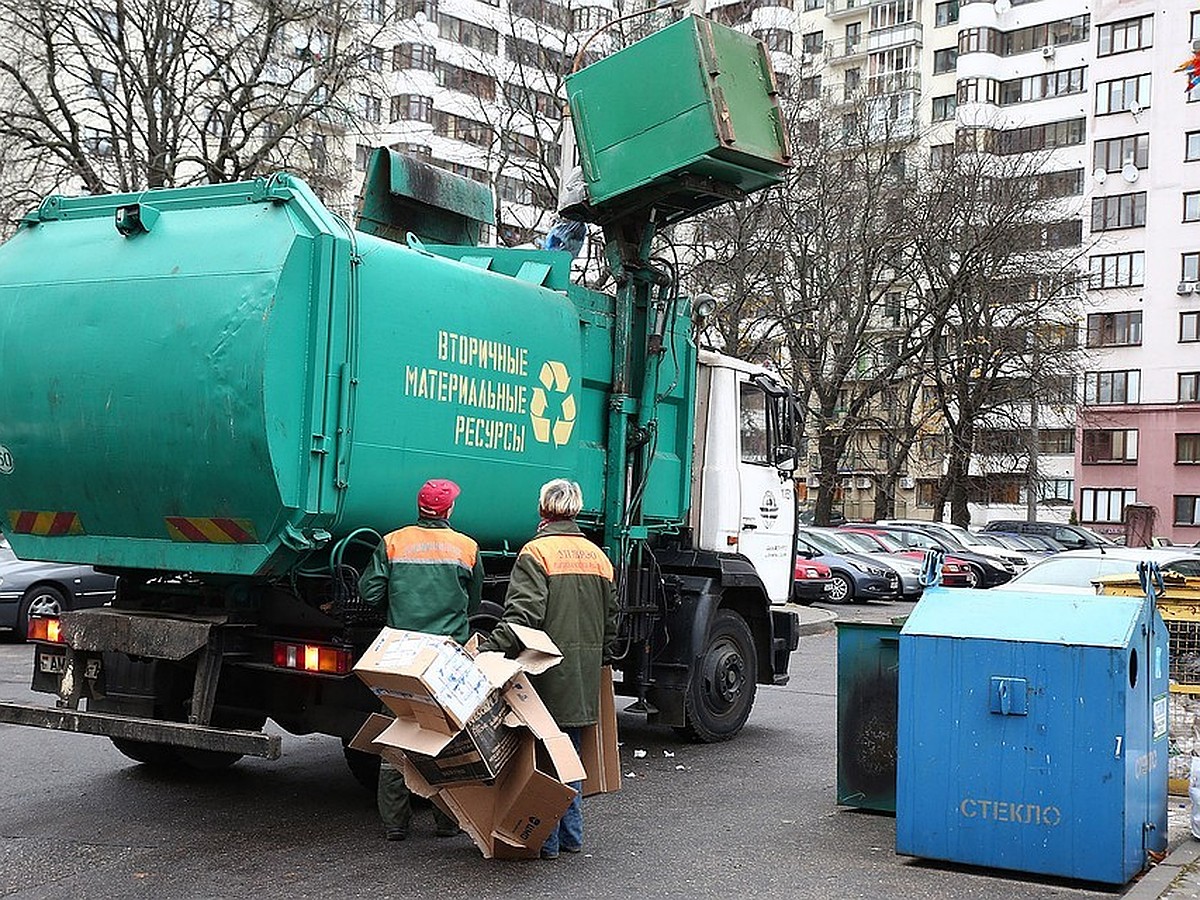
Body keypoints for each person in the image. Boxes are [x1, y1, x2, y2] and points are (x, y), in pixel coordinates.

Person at [480, 478, 618, 860]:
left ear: (543, 509)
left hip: (546, 674)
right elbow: (612, 622)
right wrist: (598, 660)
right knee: (567, 753)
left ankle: (547, 841)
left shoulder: (537, 552)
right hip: (583, 673)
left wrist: (488, 651)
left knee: (544, 758)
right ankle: (571, 836)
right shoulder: (598, 556)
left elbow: (523, 616)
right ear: (576, 510)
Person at [359, 478, 483, 841]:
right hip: (447, 657)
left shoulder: (393, 542)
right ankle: (447, 822)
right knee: (446, 738)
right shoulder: (467, 548)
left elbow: (370, 593)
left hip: (401, 653)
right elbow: (473, 604)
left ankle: (395, 824)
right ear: (448, 510)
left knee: (396, 736)